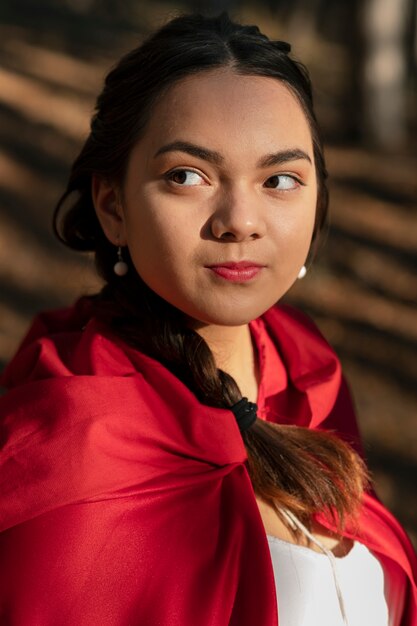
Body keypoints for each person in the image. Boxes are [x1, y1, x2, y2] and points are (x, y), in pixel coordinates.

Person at [0, 12, 415, 626]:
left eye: (279, 179)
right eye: (186, 176)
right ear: (112, 206)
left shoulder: (307, 374)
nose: (239, 220)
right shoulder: (69, 452)